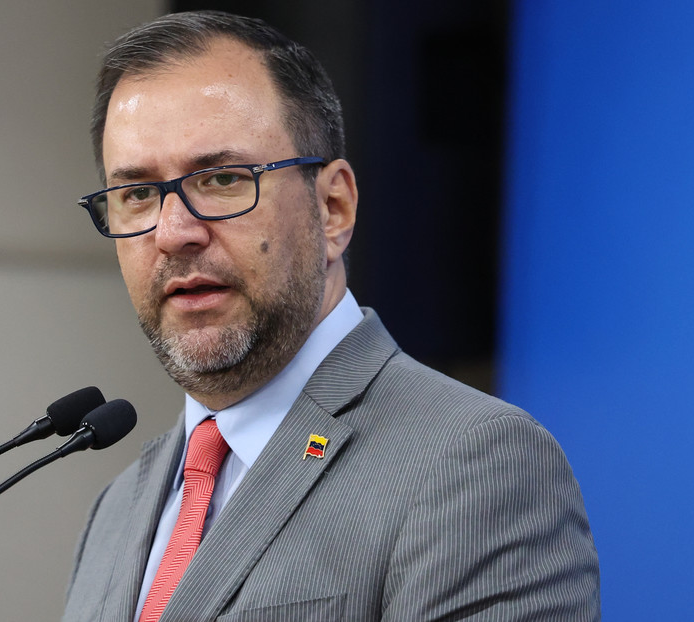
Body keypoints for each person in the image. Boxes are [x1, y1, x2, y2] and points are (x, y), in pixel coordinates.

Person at [62, 11, 599, 621]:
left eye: (222, 179)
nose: (173, 232)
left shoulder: (473, 463)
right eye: (136, 194)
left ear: (333, 208)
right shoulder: (116, 511)